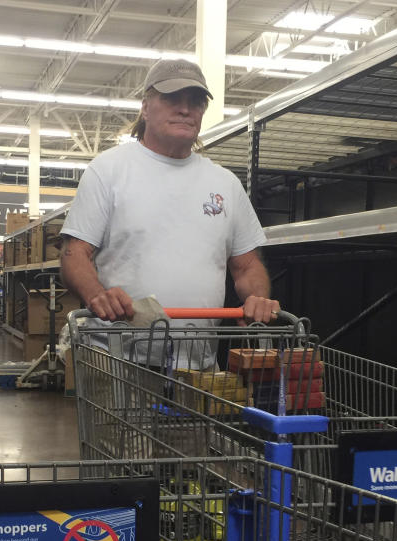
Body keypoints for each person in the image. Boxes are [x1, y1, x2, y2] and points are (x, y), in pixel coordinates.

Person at [60, 59, 279, 366]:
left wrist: (256, 298)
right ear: (146, 107)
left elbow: (247, 266)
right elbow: (74, 255)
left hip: (199, 364)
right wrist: (98, 294)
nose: (185, 109)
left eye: (195, 102)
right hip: (119, 361)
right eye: (172, 99)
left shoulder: (225, 184)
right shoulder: (109, 170)